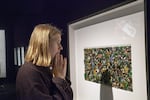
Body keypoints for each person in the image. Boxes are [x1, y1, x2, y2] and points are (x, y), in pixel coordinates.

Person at [16, 24, 73, 100]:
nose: (61, 47)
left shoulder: (46, 69)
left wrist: (61, 79)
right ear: (45, 44)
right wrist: (59, 79)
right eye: (58, 43)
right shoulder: (28, 73)